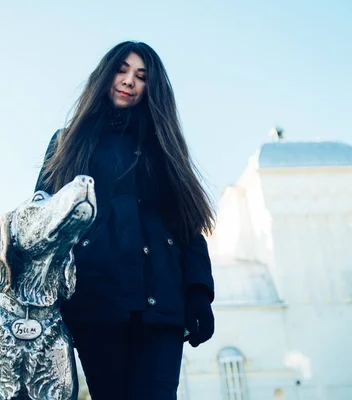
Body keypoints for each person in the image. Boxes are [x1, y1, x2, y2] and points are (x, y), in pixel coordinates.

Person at [34, 41, 216, 399]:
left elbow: (187, 223)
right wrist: (10, 244)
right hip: (94, 300)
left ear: (152, 88)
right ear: (106, 74)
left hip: (161, 303)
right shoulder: (66, 142)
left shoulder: (164, 145)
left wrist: (198, 293)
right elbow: (43, 215)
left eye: (141, 76)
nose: (129, 80)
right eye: (122, 69)